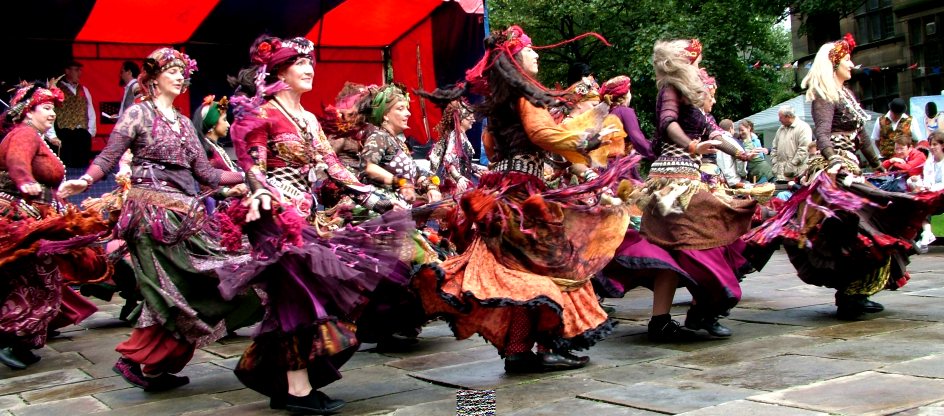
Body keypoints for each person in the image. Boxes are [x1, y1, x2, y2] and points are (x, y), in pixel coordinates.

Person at [415, 25, 633, 373]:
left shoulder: (503, 101)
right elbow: (542, 133)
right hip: (520, 194)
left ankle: (518, 350)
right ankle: (545, 347)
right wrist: (584, 143)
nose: (537, 54)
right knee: (551, 267)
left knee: (520, 273)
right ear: (515, 60)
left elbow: (500, 145)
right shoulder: (527, 94)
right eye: (530, 50)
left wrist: (575, 162)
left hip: (503, 189)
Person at [225, 35, 412, 414]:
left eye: (311, 62)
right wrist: (261, 192)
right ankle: (297, 391)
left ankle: (282, 383)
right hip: (273, 218)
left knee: (307, 298)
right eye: (299, 63)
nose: (309, 69)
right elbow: (252, 165)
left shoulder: (308, 118)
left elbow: (335, 167)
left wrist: (377, 197)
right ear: (278, 70)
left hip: (306, 218)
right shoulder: (263, 113)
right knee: (298, 297)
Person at [58, 47, 253, 391]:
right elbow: (108, 155)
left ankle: (150, 365)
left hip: (185, 217)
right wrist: (85, 180)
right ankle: (139, 360)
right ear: (153, 76)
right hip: (150, 216)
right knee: (168, 290)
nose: (180, 76)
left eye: (183, 71)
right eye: (173, 70)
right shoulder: (138, 115)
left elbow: (207, 173)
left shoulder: (182, 123)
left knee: (205, 281)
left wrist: (250, 176)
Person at [746, 34, 944, 319]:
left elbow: (862, 135)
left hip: (851, 165)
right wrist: (834, 160)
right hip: (835, 169)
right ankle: (850, 295)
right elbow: (823, 135)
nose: (852, 65)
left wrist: (879, 164)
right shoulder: (825, 95)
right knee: (853, 229)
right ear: (834, 64)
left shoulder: (847, 94)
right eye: (848, 60)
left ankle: (856, 293)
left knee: (873, 225)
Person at [602, 48, 756, 341]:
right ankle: (700, 312)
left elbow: (715, 132)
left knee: (675, 251)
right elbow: (667, 123)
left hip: (688, 178)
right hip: (671, 181)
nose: (701, 66)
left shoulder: (694, 100)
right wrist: (691, 145)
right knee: (702, 239)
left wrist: (741, 152)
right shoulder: (669, 89)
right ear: (685, 63)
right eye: (697, 61)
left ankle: (664, 320)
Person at [0, 83, 110, 370]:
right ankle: (12, 339)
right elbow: (16, 162)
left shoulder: (36, 136)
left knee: (38, 279)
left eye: (52, 109)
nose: (52, 115)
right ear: (27, 112)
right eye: (46, 109)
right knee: (34, 280)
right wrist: (26, 182)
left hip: (35, 217)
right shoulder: (24, 134)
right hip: (21, 218)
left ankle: (19, 341)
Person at [358, 83, 442, 206]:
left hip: (402, 210)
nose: (408, 113)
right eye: (400, 108)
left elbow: (416, 175)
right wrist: (400, 182)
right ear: (385, 115)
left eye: (407, 108)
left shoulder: (398, 143)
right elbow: (368, 167)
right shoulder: (379, 137)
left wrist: (431, 188)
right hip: (384, 212)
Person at [428, 99, 485, 195]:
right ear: (461, 119)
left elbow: (465, 163)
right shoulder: (455, 136)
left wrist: (480, 168)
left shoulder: (462, 136)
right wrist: (458, 178)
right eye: (470, 118)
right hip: (456, 185)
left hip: (462, 182)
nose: (474, 120)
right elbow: (448, 161)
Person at [599, 75, 655, 162]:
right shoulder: (624, 111)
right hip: (618, 165)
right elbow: (637, 139)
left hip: (603, 164)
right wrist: (657, 154)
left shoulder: (606, 114)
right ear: (626, 95)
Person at [55, 61, 97, 168]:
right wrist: (52, 136)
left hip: (82, 136)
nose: (80, 73)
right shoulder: (56, 90)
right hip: (65, 135)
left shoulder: (84, 90)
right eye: (76, 70)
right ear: (67, 71)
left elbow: (90, 111)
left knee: (83, 167)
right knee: (67, 167)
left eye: (80, 70)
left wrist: (90, 132)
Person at [770, 105, 813, 182]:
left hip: (797, 175)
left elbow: (804, 149)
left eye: (781, 117)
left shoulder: (803, 127)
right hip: (780, 175)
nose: (779, 120)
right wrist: (774, 162)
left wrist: (791, 165)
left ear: (788, 116)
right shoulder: (780, 129)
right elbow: (774, 148)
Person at [716, 119, 750, 188]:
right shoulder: (733, 141)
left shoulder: (713, 140)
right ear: (731, 129)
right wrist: (743, 174)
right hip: (734, 181)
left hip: (718, 180)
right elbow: (741, 159)